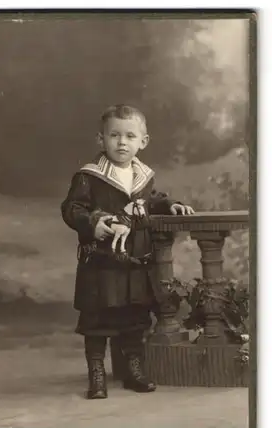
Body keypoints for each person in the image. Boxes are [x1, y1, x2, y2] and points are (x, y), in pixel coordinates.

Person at [61, 104, 194, 399]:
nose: (122, 142)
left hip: (135, 262)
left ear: (142, 142)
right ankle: (96, 375)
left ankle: (134, 370)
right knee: (97, 322)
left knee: (134, 321)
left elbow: (151, 200)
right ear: (101, 140)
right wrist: (93, 222)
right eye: (114, 135)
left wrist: (169, 205)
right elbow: (72, 209)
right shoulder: (89, 176)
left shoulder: (142, 175)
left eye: (130, 136)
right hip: (101, 263)